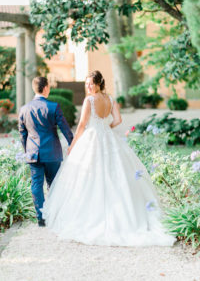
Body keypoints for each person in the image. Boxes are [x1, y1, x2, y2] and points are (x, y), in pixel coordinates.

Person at [42, 70, 176, 246]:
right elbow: (118, 120)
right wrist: (106, 126)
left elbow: (82, 125)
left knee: (89, 175)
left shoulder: (89, 100)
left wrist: (72, 145)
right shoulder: (110, 99)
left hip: (92, 137)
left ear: (99, 84)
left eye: (91, 83)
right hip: (108, 137)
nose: (88, 87)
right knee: (114, 172)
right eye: (86, 84)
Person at [18, 77, 73, 227]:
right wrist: (72, 144)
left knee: (36, 184)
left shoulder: (24, 109)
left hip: (33, 153)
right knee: (54, 184)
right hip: (52, 152)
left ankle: (41, 217)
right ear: (46, 88)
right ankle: (54, 214)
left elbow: (22, 134)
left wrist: (27, 151)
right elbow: (65, 128)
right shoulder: (54, 106)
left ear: (34, 88)